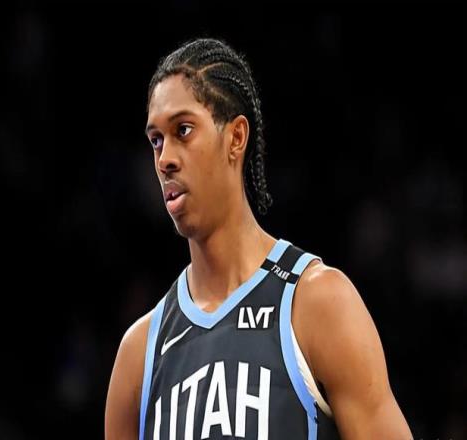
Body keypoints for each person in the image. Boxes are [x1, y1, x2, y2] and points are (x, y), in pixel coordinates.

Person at [105, 37, 412, 440]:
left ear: (235, 137)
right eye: (156, 140)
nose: (165, 159)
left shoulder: (318, 304)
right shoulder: (139, 354)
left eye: (183, 130)